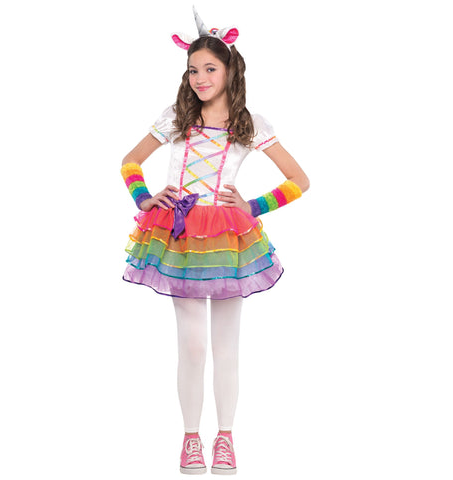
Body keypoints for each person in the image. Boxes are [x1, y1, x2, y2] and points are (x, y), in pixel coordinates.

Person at [120, 7, 309, 475]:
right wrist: (145, 198)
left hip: (227, 237)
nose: (200, 78)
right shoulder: (177, 118)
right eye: (193, 70)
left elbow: (300, 180)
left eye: (209, 69)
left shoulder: (249, 124)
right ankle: (190, 438)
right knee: (192, 346)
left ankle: (225, 438)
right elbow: (129, 162)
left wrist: (253, 206)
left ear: (230, 71)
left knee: (226, 345)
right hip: (180, 233)